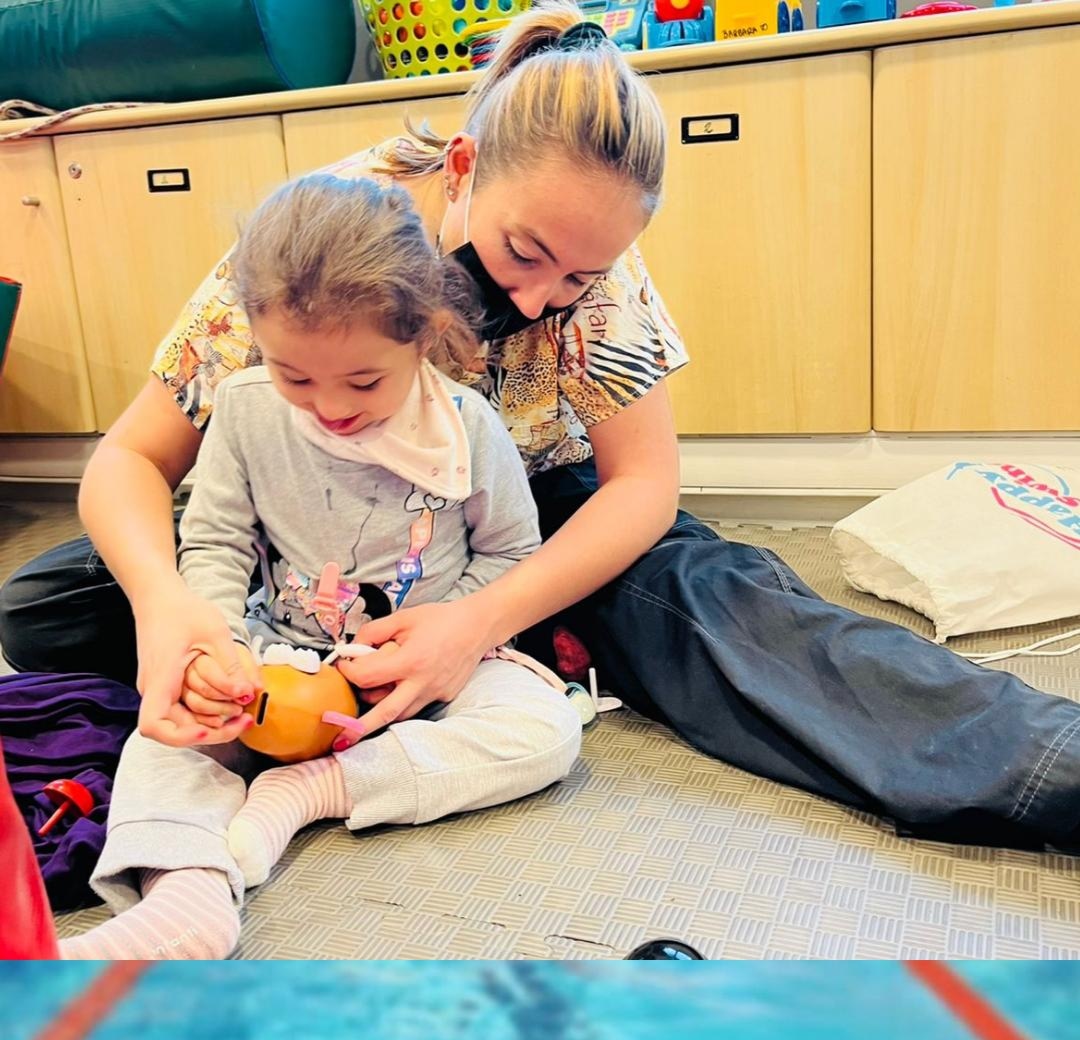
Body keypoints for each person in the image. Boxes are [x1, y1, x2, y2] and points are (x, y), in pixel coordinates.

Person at [3, 1, 1078, 852]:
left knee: (724, 608)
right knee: (47, 609)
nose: (538, 297)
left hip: (516, 523)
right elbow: (131, 459)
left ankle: (1046, 766)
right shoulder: (323, 234)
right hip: (302, 521)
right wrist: (171, 608)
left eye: (578, 275)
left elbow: (642, 485)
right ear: (463, 169)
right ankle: (484, 654)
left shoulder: (601, 277)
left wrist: (479, 618)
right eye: (524, 254)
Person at [56, 173, 581, 960]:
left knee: (545, 732)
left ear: (424, 334)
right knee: (168, 741)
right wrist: (217, 647)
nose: (331, 407)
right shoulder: (243, 410)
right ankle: (185, 896)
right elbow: (216, 544)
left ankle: (314, 790)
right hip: (278, 659)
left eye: (365, 381)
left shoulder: (468, 427)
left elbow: (513, 553)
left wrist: (446, 633)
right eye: (294, 377)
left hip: (431, 669)